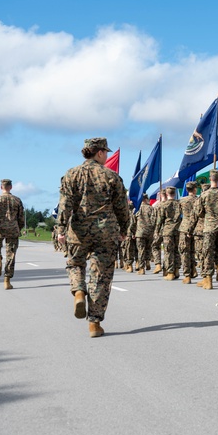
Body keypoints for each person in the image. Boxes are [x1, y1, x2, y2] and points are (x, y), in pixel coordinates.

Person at [57, 137, 130, 338]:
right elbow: (122, 208)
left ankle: (78, 290)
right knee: (101, 277)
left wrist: (61, 229)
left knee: (75, 264)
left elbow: (65, 205)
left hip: (78, 232)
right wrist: (124, 228)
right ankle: (94, 324)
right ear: (99, 153)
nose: (107, 156)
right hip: (105, 232)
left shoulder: (71, 174)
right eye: (105, 152)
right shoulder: (112, 177)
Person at [196, 169, 218, 290]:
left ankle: (208, 280)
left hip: (209, 227)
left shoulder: (204, 194)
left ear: (210, 179)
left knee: (208, 253)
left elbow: (199, 212)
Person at [0, 179, 25, 289]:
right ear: (11, 187)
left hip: (0, 228)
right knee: (11, 254)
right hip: (13, 228)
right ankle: (7, 280)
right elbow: (21, 218)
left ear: (1, 187)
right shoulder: (17, 200)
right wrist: (19, 228)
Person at [158, 187, 182, 281]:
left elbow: (160, 220)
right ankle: (177, 269)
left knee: (168, 251)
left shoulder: (164, 205)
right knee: (177, 250)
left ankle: (170, 272)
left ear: (167, 194)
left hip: (168, 230)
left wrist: (157, 230)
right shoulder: (179, 204)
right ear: (174, 193)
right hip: (178, 229)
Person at [178, 181, 200, 284]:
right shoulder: (199, 200)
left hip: (185, 227)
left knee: (185, 251)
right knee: (194, 251)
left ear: (187, 190)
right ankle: (193, 268)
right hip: (197, 227)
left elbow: (177, 215)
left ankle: (187, 275)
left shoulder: (182, 201)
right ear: (195, 189)